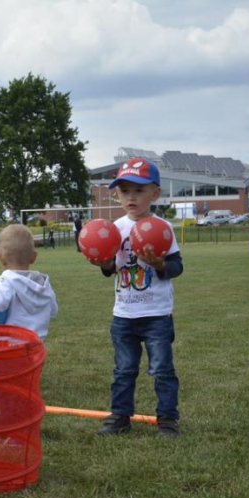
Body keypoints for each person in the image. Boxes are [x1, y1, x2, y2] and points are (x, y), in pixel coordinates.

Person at [87, 159, 183, 438]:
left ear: (155, 193)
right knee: (124, 370)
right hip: (124, 314)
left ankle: (167, 419)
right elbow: (110, 270)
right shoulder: (113, 228)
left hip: (157, 314)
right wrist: (104, 263)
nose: (131, 196)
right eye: (125, 190)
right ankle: (120, 416)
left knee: (162, 370)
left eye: (139, 190)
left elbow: (177, 267)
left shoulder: (162, 227)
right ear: (116, 194)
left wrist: (161, 264)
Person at [0, 224, 58, 340]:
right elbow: (53, 311)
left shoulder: (7, 281)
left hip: (13, 344)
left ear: (1, 258)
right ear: (33, 257)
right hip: (36, 346)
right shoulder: (43, 284)